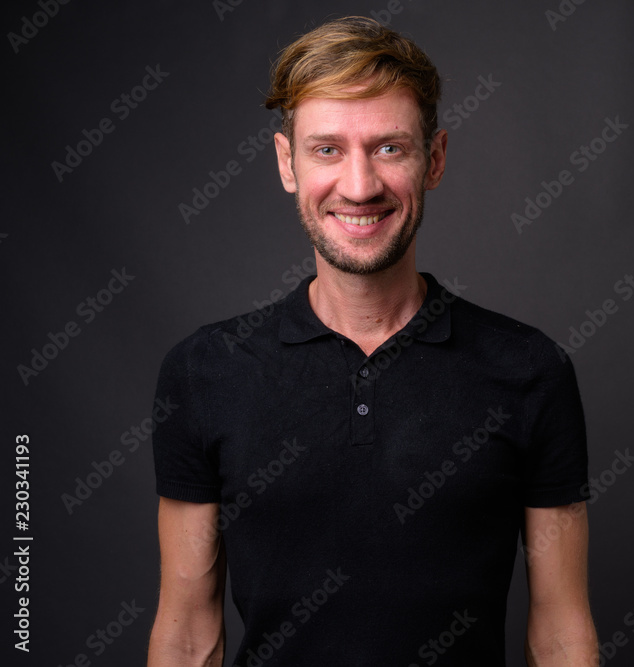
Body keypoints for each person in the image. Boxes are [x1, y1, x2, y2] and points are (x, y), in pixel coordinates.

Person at [147, 16, 597, 666]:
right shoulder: (204, 372)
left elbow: (562, 633)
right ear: (287, 164)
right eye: (327, 149)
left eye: (389, 148)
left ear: (434, 158)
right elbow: (188, 634)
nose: (359, 186)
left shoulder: (530, 370)